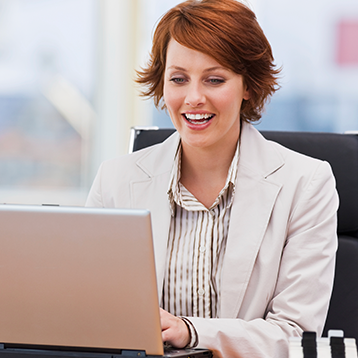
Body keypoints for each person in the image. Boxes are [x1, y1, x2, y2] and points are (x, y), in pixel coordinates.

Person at [86, 0, 339, 357]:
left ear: (248, 86)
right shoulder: (116, 180)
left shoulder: (306, 183)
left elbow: (294, 334)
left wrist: (190, 331)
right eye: (178, 79)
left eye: (214, 79)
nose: (193, 98)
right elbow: (91, 312)